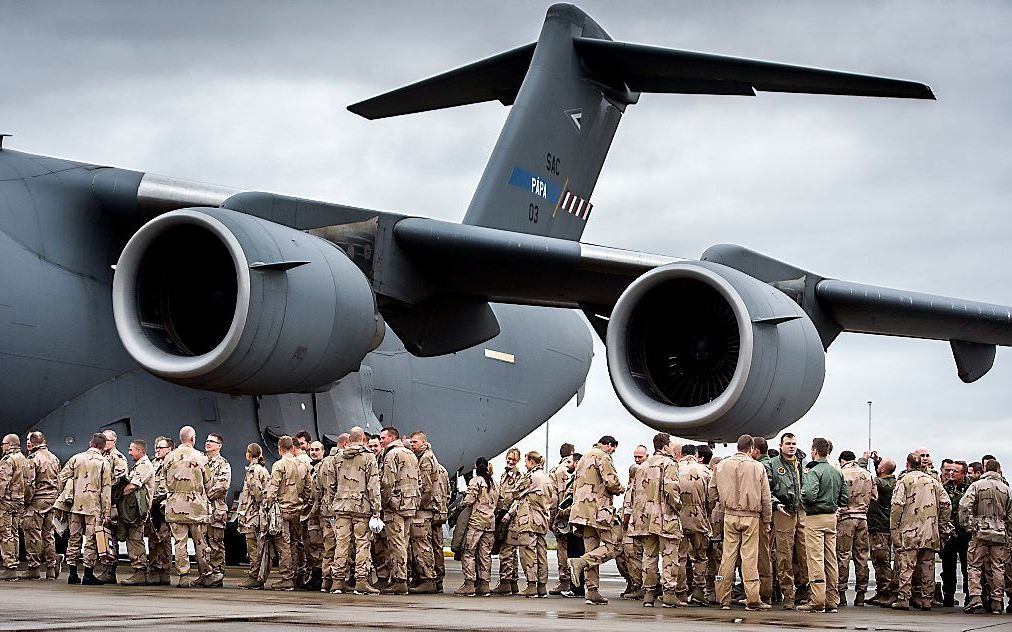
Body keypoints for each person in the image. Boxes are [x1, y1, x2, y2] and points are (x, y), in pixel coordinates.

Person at [708, 434, 772, 611]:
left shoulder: (721, 465)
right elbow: (766, 497)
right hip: (751, 516)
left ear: (737, 446)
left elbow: (711, 492)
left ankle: (723, 599)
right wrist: (767, 520)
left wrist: (719, 503)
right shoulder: (758, 467)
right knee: (749, 558)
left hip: (729, 515)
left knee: (727, 557)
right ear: (751, 448)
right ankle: (752, 599)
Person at [627, 432, 683, 608]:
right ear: (665, 446)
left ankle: (649, 594)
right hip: (665, 517)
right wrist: (678, 506)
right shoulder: (669, 464)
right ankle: (669, 593)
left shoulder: (643, 466)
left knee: (649, 556)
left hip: (645, 518)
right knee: (669, 556)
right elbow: (671, 489)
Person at [890, 451, 951, 610]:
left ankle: (903, 599)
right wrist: (941, 525)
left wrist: (894, 527)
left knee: (907, 566)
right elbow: (946, 504)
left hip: (910, 530)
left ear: (907, 464)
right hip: (930, 530)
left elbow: (897, 505)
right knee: (928, 567)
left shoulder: (904, 481)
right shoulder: (933, 481)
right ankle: (926, 600)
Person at [569, 436, 625, 605]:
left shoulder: (584, 457)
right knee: (613, 547)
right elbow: (611, 481)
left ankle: (592, 590)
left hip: (582, 511)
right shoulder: (603, 456)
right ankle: (580, 562)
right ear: (608, 445)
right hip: (599, 510)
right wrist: (620, 488)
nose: (612, 452)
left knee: (592, 549)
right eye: (613, 448)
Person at [797, 437, 847, 613]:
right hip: (831, 517)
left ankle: (817, 600)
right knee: (830, 558)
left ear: (814, 451)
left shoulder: (814, 471)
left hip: (815, 518)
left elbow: (809, 495)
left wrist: (805, 502)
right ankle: (832, 598)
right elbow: (844, 498)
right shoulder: (836, 472)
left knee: (815, 558)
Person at [332, 426, 382, 595]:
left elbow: (331, 483)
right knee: (362, 543)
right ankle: (361, 581)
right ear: (362, 438)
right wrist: (377, 508)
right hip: (361, 506)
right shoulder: (368, 457)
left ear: (349, 439)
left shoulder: (338, 457)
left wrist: (337, 498)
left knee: (341, 543)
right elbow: (373, 485)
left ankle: (337, 581)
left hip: (341, 506)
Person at [58, 433, 112, 585]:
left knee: (73, 539)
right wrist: (106, 512)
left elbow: (61, 477)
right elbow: (106, 489)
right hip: (93, 507)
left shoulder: (76, 458)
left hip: (75, 506)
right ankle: (88, 574)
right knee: (91, 540)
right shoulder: (104, 462)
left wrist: (66, 496)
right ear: (103, 446)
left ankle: (72, 574)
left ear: (91, 443)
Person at [959, 459, 1011, 613]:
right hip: (999, 532)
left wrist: (968, 525)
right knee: (998, 566)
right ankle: (997, 601)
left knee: (974, 564)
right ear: (999, 470)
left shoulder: (976, 486)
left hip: (980, 531)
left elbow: (963, 506)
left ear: (985, 469)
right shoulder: (1007, 489)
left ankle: (975, 596)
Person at [163, 425, 212, 588]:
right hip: (196, 507)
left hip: (175, 506)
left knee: (180, 542)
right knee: (200, 542)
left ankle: (183, 576)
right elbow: (208, 482)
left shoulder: (169, 457)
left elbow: (165, 480)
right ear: (193, 438)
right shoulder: (201, 457)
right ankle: (205, 574)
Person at [263, 435, 313, 591]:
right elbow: (309, 489)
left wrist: (267, 505)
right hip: (298, 510)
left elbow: (272, 489)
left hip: (282, 510)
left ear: (279, 449)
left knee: (284, 545)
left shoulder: (279, 465)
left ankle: (287, 578)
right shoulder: (303, 464)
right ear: (293, 448)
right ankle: (298, 574)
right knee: (296, 543)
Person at [765, 432, 808, 609]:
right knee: (784, 555)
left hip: (802, 512)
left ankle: (805, 591)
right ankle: (788, 594)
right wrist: (776, 503)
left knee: (805, 553)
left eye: (794, 443)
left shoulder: (803, 464)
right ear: (781, 445)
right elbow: (766, 488)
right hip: (783, 513)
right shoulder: (772, 465)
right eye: (788, 443)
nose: (792, 446)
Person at [377, 426, 420, 595]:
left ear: (392, 437)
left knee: (396, 544)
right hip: (410, 504)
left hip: (396, 506)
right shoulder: (411, 454)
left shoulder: (391, 455)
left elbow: (387, 482)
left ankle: (399, 580)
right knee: (404, 541)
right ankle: (403, 577)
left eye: (383, 438)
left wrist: (383, 502)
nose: (381, 441)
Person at [504, 451, 552, 598]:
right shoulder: (547, 478)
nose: (525, 464)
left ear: (531, 461)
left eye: (526, 461)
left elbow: (516, 492)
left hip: (529, 520)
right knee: (541, 553)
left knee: (528, 553)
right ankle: (542, 586)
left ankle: (531, 585)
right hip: (542, 520)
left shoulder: (531, 476)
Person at [837, 449, 876, 606]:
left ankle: (841, 593)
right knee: (861, 556)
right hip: (862, 519)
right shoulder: (867, 474)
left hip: (846, 518)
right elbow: (875, 496)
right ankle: (861, 593)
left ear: (842, 461)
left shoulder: (840, 473)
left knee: (843, 555)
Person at [455, 457, 498, 596]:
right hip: (490, 523)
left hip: (476, 522)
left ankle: (469, 584)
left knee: (468, 552)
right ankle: (484, 585)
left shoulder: (476, 481)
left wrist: (458, 508)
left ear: (475, 466)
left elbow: (469, 500)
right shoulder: (494, 483)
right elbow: (501, 502)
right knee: (485, 554)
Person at [676, 443, 711, 606]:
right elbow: (712, 497)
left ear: (681, 454)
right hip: (699, 518)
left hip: (678, 519)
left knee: (680, 557)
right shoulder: (705, 471)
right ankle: (698, 591)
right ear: (697, 455)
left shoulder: (674, 468)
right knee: (700, 557)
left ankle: (681, 592)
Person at [22, 431, 60, 580]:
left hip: (37, 500)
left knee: (32, 534)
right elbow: (59, 480)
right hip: (52, 500)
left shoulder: (33, 458)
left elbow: (29, 483)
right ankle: (51, 568)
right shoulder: (54, 458)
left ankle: (34, 567)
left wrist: (26, 501)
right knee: (48, 534)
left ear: (31, 443)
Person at [860, 453, 897, 607]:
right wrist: (877, 462)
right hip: (886, 525)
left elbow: (863, 477)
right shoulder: (892, 482)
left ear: (882, 470)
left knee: (881, 561)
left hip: (879, 527)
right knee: (880, 560)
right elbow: (879, 474)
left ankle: (886, 592)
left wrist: (864, 461)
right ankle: (882, 591)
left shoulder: (880, 483)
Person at [118, 440, 156, 586]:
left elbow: (133, 486)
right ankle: (139, 571)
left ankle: (140, 571)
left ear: (140, 451)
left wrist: (118, 494)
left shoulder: (144, 466)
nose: (129, 452)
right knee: (131, 539)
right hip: (133, 510)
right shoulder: (138, 465)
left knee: (135, 540)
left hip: (138, 511)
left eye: (131, 450)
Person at [408, 431, 442, 594]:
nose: (412, 445)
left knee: (422, 544)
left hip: (422, 509)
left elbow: (425, 487)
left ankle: (427, 579)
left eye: (414, 442)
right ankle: (424, 578)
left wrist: (414, 505)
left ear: (423, 442)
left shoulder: (426, 458)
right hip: (424, 508)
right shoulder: (424, 456)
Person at [236, 443, 271, 590]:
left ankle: (254, 577)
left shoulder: (252, 470)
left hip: (252, 515)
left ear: (249, 455)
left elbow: (257, 493)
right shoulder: (262, 469)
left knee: (253, 548)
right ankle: (257, 575)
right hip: (257, 513)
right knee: (257, 546)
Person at [97, 429, 128, 584]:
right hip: (102, 502)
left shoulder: (118, 458)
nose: (104, 442)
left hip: (112, 504)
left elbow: (119, 480)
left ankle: (110, 570)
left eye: (106, 440)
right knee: (103, 535)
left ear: (113, 441)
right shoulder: (100, 456)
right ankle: (106, 567)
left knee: (110, 536)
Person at [492, 447, 524, 596]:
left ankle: (506, 582)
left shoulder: (519, 476)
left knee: (507, 551)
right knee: (509, 550)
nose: (511, 461)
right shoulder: (504, 475)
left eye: (514, 459)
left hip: (512, 518)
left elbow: (520, 499)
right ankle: (511, 582)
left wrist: (510, 513)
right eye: (509, 459)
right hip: (503, 514)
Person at [202, 433, 231, 588]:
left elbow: (222, 487)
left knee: (216, 542)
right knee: (204, 543)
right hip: (202, 511)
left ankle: (217, 574)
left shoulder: (223, 464)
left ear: (219, 445)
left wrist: (203, 497)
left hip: (215, 509)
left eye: (212, 442)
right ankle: (206, 573)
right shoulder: (201, 462)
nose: (208, 444)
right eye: (207, 441)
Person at [618, 445, 647, 600]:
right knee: (624, 556)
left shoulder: (639, 486)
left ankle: (641, 585)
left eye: (640, 457)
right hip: (633, 526)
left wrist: (625, 523)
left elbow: (629, 509)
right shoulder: (632, 486)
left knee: (634, 556)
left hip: (635, 527)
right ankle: (633, 583)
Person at [941, 460, 970, 607]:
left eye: (955, 471)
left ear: (964, 474)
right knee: (948, 566)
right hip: (949, 532)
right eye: (950, 470)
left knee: (967, 566)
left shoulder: (971, 487)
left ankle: (969, 596)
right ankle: (948, 594)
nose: (951, 473)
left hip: (965, 532)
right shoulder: (945, 487)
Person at [145, 437, 174, 585]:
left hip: (165, 506)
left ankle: (165, 571)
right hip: (153, 506)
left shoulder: (174, 463)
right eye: (157, 447)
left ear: (169, 449)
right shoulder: (153, 463)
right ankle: (154, 568)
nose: (157, 450)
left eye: (161, 447)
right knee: (153, 538)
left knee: (165, 539)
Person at [548, 443, 575, 595]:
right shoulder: (576, 468)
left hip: (562, 516)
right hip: (574, 514)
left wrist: (552, 520)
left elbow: (553, 498)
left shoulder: (556, 471)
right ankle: (575, 580)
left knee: (563, 548)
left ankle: (564, 579)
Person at [315, 438, 341, 592]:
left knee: (328, 546)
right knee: (343, 546)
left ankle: (326, 579)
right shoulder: (342, 462)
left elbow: (316, 488)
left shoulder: (322, 464)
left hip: (326, 510)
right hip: (340, 510)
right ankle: (340, 578)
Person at [0, 435, 27, 581]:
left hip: (7, 501)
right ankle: (15, 562)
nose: (2, 446)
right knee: (15, 533)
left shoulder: (8, 460)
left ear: (10, 445)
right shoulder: (24, 459)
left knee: (5, 533)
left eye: (3, 443)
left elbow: (3, 481)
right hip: (19, 501)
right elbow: (30, 482)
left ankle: (10, 568)